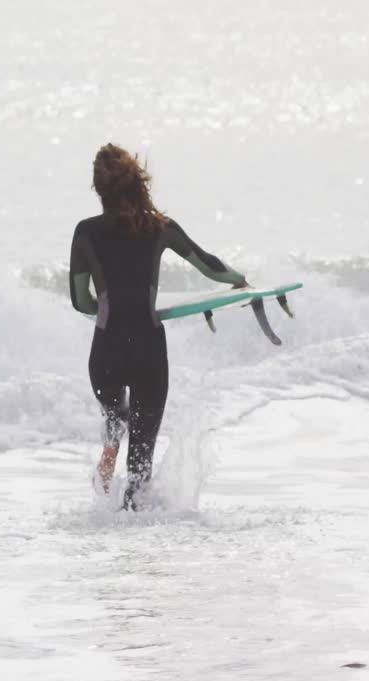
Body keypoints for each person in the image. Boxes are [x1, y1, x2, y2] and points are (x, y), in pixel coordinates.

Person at [68, 143, 247, 510]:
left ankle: (110, 447)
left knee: (115, 418)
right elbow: (209, 266)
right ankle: (138, 547)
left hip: (106, 352)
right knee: (140, 470)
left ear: (98, 190)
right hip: (148, 351)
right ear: (138, 182)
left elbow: (79, 299)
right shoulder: (160, 228)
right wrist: (241, 279)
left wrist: (102, 308)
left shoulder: (85, 233)